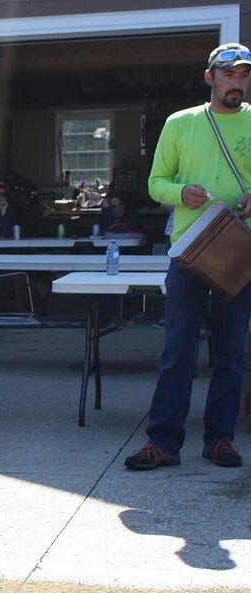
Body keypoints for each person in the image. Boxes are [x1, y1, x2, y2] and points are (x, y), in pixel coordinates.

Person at [125, 43, 251, 470]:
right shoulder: (181, 123)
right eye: (229, 73)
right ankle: (162, 442)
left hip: (237, 251)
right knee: (177, 350)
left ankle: (220, 439)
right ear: (210, 77)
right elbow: (156, 182)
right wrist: (181, 192)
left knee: (230, 351)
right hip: (189, 249)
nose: (237, 81)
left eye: (244, 74)